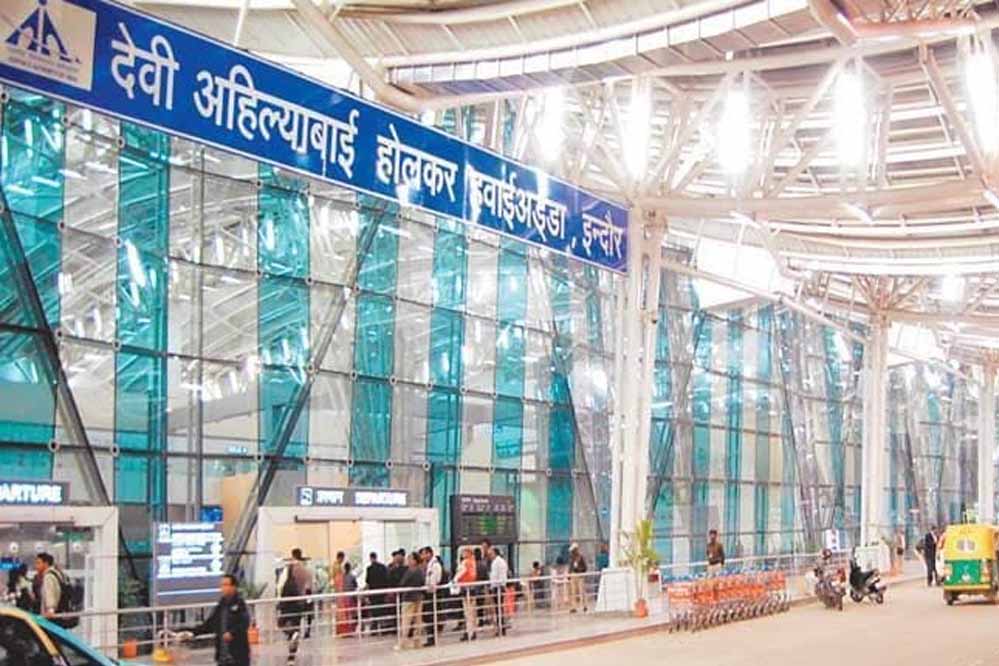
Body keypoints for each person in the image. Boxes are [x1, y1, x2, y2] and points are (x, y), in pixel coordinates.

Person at [188, 575, 251, 666]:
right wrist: (193, 632)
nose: (223, 588)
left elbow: (244, 622)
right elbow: (211, 623)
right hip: (222, 657)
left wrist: (232, 633)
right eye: (222, 585)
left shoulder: (240, 604)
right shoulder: (221, 605)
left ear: (233, 587)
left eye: (226, 585)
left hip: (238, 657)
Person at [395, 553, 425, 651]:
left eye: (410, 559)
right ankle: (417, 642)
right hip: (419, 597)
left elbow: (402, 583)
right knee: (418, 621)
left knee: (406, 621)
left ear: (414, 561)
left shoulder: (410, 571)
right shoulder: (421, 571)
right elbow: (422, 582)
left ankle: (403, 643)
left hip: (408, 598)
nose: (408, 561)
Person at [420, 546, 443, 646]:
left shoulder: (435, 565)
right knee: (427, 616)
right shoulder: (428, 565)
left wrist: (430, 587)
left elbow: (435, 579)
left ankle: (432, 638)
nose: (423, 556)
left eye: (424, 554)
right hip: (428, 593)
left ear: (429, 554)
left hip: (432, 593)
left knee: (431, 616)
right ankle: (430, 637)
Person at [455, 547, 478, 641]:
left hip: (465, 589)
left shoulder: (465, 562)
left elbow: (460, 573)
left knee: (467, 612)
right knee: (472, 612)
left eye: (464, 552)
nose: (462, 554)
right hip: (471, 589)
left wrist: (454, 581)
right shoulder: (473, 562)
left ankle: (469, 632)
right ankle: (472, 631)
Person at [32, 553, 62, 620]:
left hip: (51, 616)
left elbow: (50, 593)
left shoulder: (48, 576)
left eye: (38, 563)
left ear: (46, 564)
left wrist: (50, 609)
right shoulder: (57, 573)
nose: (36, 566)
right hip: (60, 611)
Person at [365, 552, 389, 634]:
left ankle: (374, 629)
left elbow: (368, 582)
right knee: (382, 610)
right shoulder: (383, 567)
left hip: (373, 593)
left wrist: (366, 593)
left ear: (370, 558)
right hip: (382, 592)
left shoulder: (369, 569)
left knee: (374, 611)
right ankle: (383, 628)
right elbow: (386, 579)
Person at [487, 547, 509, 636]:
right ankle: (501, 627)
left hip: (498, 587)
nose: (489, 555)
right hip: (500, 586)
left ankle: (501, 627)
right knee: (499, 609)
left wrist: (492, 586)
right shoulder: (500, 561)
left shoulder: (497, 562)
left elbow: (495, 576)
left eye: (491, 553)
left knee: (498, 609)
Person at [336, 562, 358, 636]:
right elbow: (355, 586)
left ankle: (345, 631)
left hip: (343, 598)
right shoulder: (352, 576)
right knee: (351, 614)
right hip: (351, 598)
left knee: (345, 615)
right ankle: (351, 630)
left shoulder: (342, 577)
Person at [568, 543, 588, 613]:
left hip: (579, 576)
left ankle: (584, 605)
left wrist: (579, 570)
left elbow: (585, 567)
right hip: (573, 575)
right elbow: (570, 567)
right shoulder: (572, 558)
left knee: (581, 591)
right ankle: (574, 607)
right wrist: (569, 575)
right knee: (573, 592)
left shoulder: (581, 557)